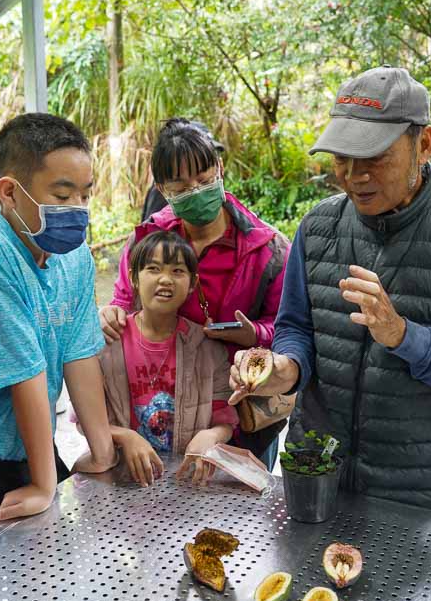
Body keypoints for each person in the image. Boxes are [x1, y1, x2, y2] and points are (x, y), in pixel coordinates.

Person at [229, 66, 431, 515]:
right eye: (342, 158)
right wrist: (286, 367)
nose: (353, 175)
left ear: (423, 144)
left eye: (373, 157)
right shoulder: (318, 227)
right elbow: (295, 328)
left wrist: (405, 335)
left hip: (424, 490)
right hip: (317, 471)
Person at [0, 113, 117, 551]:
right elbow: (23, 370)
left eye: (85, 195)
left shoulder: (74, 257)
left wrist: (102, 449)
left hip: (34, 451)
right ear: (10, 192)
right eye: (62, 194)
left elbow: (80, 353)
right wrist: (45, 485)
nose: (78, 210)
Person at [99, 118, 289, 469]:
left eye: (203, 180)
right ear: (162, 187)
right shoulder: (147, 238)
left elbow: (290, 330)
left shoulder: (268, 249)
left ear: (219, 169)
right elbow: (124, 302)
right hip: (156, 412)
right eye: (182, 186)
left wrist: (255, 335)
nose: (196, 191)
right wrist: (110, 314)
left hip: (238, 411)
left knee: (238, 513)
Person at [96, 230, 237, 486]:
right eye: (153, 268)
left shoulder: (207, 348)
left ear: (193, 283)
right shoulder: (108, 344)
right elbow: (87, 421)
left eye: (177, 271)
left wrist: (211, 436)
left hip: (187, 480)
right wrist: (125, 436)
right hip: (121, 478)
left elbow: (224, 420)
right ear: (134, 278)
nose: (165, 280)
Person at [140, 120, 224, 222]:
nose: (196, 191)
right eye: (181, 189)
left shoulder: (242, 222)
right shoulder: (167, 191)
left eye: (205, 180)